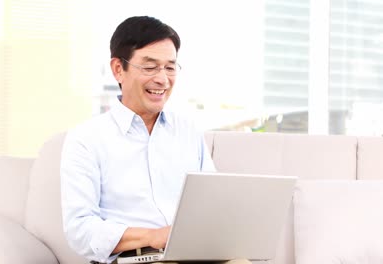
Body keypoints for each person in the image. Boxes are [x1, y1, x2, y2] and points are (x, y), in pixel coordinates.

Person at [60, 16, 251, 264]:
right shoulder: (86, 140)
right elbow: (80, 230)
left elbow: (212, 205)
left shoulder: (188, 132)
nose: (162, 79)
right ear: (119, 69)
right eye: (150, 67)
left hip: (194, 256)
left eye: (170, 67)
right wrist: (154, 237)